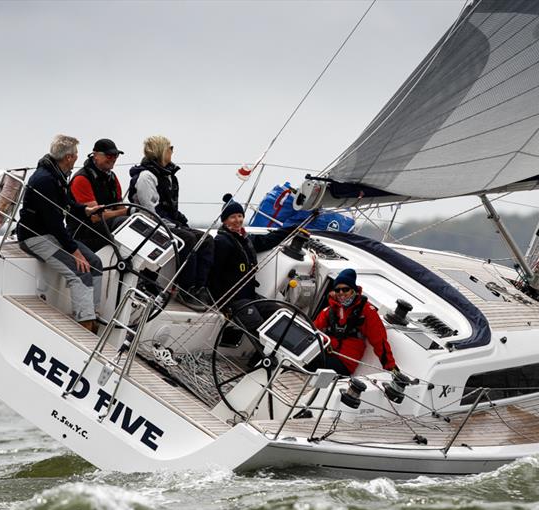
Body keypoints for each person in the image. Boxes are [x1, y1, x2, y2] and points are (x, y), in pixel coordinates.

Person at [17, 135, 103, 332]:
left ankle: (93, 313)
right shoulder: (44, 180)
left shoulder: (56, 174)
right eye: (76, 155)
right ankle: (86, 325)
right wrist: (74, 251)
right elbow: (54, 222)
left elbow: (66, 204)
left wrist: (85, 211)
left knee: (95, 263)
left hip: (52, 235)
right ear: (69, 158)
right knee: (81, 271)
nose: (77, 158)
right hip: (35, 237)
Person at [128, 135, 214, 311]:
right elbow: (149, 210)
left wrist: (181, 221)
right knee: (188, 239)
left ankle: (198, 287)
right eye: (170, 148)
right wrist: (173, 225)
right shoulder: (146, 177)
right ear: (161, 151)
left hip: (168, 222)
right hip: (151, 223)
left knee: (206, 240)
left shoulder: (168, 175)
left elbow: (171, 207)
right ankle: (183, 288)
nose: (173, 151)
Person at [210, 193, 294, 334]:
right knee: (258, 327)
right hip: (233, 300)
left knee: (281, 313)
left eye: (240, 216)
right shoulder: (222, 242)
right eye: (232, 217)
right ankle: (264, 354)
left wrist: (291, 230)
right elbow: (214, 274)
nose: (237, 220)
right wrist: (221, 304)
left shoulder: (246, 239)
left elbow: (268, 240)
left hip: (250, 296)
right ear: (225, 221)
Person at [311, 268, 399, 376]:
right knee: (302, 354)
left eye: (345, 289)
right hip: (328, 353)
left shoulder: (367, 312)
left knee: (311, 359)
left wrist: (391, 368)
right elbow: (313, 329)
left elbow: (380, 341)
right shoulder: (331, 310)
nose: (341, 293)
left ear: (353, 289)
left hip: (344, 364)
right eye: (338, 290)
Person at [67, 138, 129, 251]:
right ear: (95, 155)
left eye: (116, 156)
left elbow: (120, 208)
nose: (114, 159)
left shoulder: (112, 178)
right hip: (82, 232)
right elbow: (96, 217)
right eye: (109, 156)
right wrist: (127, 212)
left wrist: (132, 214)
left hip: (103, 226)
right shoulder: (81, 179)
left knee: (134, 221)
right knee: (123, 221)